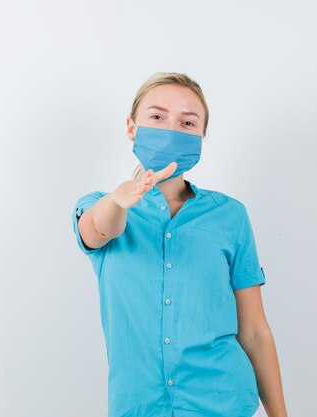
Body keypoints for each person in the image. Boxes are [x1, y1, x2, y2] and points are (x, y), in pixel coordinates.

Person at [71, 72, 288, 417]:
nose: (171, 130)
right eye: (157, 117)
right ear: (131, 127)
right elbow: (98, 229)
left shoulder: (230, 216)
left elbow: (254, 331)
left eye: (187, 123)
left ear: (202, 136)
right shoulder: (100, 204)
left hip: (224, 403)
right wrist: (117, 201)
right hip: (139, 408)